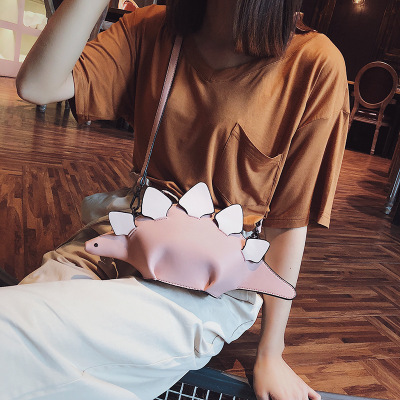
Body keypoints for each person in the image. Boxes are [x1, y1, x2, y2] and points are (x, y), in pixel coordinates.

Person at [6, 0, 349, 399]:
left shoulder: (313, 63)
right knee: (29, 331)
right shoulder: (150, 29)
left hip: (214, 282)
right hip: (122, 236)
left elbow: (287, 220)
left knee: (20, 339)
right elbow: (38, 85)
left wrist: (272, 350)